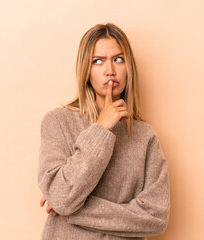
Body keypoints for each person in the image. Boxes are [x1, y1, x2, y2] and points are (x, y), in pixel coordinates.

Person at [38, 23, 170, 240]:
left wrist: (71, 209)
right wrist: (100, 129)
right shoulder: (58, 122)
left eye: (118, 59)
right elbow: (62, 196)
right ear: (86, 70)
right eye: (97, 61)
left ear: (129, 68)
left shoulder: (145, 135)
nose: (110, 70)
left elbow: (156, 217)